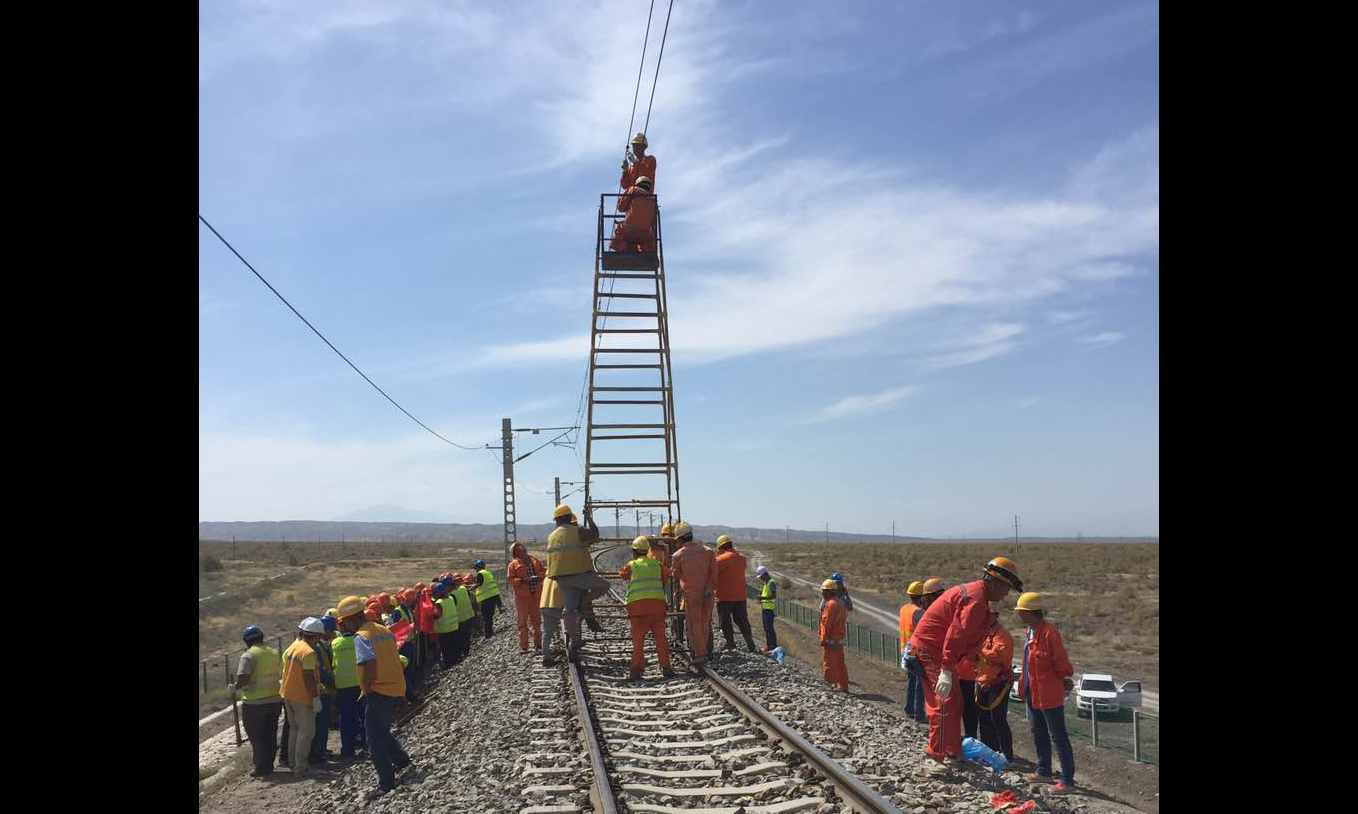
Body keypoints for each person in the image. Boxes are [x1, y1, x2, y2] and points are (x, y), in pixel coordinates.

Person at [908, 558, 1022, 770]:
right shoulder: (976, 600)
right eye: (1007, 589)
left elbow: (964, 639)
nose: (1006, 594)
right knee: (944, 702)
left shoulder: (977, 597)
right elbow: (956, 636)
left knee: (956, 700)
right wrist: (946, 670)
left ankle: (953, 751)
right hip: (930, 649)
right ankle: (936, 756)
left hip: (936, 649)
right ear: (996, 583)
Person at [337, 594, 411, 799]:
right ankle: (402, 760)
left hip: (379, 690)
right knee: (380, 730)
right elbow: (394, 659)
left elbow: (367, 663)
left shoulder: (361, 637)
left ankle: (386, 782)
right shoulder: (383, 630)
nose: (344, 626)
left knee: (373, 738)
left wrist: (366, 687)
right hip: (395, 686)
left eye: (344, 622)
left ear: (352, 619)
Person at [1015, 592, 1076, 793]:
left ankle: (1067, 780)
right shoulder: (1030, 632)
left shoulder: (1049, 633)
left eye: (1021, 611)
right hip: (1033, 692)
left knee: (1058, 736)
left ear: (1030, 612)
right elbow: (1026, 663)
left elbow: (1061, 662)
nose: (1019, 615)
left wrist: (1064, 678)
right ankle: (1044, 771)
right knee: (1037, 731)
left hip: (1049, 693)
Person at [546, 503, 609, 663]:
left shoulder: (552, 535)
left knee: (570, 610)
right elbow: (595, 534)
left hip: (560, 578)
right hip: (578, 574)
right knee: (604, 585)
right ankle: (584, 601)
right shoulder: (578, 531)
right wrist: (589, 517)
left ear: (558, 520)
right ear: (569, 517)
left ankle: (574, 641)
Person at [620, 536, 674, 679]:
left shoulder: (632, 565)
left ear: (634, 552)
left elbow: (623, 575)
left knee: (638, 641)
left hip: (637, 609)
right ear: (647, 551)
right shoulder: (656, 564)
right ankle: (666, 667)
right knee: (661, 639)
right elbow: (669, 573)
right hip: (657, 608)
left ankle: (635, 671)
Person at [234, 625, 282, 777]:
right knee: (270, 734)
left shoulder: (248, 655)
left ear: (246, 641)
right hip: (275, 700)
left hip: (255, 703)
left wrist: (234, 687)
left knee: (257, 737)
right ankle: (269, 764)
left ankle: (262, 768)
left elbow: (243, 678)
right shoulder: (274, 652)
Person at [279, 617, 325, 775]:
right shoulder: (309, 652)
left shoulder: (295, 646)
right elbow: (308, 677)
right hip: (302, 697)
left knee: (295, 730)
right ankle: (301, 768)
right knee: (307, 733)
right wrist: (315, 697)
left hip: (288, 694)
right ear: (317, 636)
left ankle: (293, 764)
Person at [669, 521, 717, 663]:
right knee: (704, 622)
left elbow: (675, 574)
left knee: (694, 624)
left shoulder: (678, 555)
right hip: (708, 592)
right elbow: (714, 574)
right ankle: (706, 652)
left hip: (692, 594)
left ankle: (700, 654)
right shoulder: (708, 551)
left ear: (680, 540)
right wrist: (709, 588)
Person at [974, 608, 1015, 762]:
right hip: (982, 681)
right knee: (984, 720)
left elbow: (997, 655)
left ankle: (1006, 755)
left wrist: (979, 649)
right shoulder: (983, 633)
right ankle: (988, 751)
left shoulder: (1002, 635)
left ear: (995, 616)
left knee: (998, 719)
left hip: (998, 682)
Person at [330, 607, 368, 759]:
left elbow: (333, 664)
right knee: (364, 716)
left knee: (346, 719)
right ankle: (367, 745)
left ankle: (347, 750)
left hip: (343, 687)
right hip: (360, 684)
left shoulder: (335, 643)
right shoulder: (360, 639)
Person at [714, 536, 758, 653]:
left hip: (725, 596)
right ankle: (750, 643)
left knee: (725, 621)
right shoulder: (742, 558)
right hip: (740, 596)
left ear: (721, 547)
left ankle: (730, 644)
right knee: (742, 620)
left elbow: (712, 573)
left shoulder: (721, 559)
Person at [507, 542, 546, 653]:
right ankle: (524, 647)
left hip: (535, 596)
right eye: (519, 551)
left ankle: (538, 645)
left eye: (523, 550)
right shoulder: (513, 565)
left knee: (536, 622)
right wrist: (522, 580)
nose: (522, 552)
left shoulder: (535, 561)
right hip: (522, 598)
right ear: (515, 553)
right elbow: (510, 579)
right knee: (522, 623)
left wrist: (539, 577)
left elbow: (543, 572)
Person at [311, 615, 338, 762]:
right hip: (323, 689)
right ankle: (319, 751)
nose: (333, 634)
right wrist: (332, 683)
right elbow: (321, 670)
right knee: (321, 723)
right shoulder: (318, 647)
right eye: (331, 631)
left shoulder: (322, 645)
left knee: (323, 722)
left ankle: (320, 749)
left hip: (325, 688)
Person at [899, 580, 927, 723]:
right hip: (915, 652)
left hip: (905, 650)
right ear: (921, 597)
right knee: (920, 683)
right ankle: (919, 714)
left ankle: (909, 709)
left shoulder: (904, 608)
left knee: (911, 680)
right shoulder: (919, 612)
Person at [609, 177, 657, 253]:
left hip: (628, 230)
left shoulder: (633, 190)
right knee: (648, 244)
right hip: (645, 233)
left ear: (638, 184)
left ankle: (625, 247)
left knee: (615, 243)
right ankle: (644, 252)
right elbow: (653, 220)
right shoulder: (653, 199)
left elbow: (621, 207)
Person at [818, 579, 849, 692]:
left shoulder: (830, 605)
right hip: (839, 640)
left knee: (829, 665)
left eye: (823, 591)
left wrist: (823, 639)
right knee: (840, 664)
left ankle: (830, 688)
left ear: (829, 591)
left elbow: (826, 624)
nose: (822, 593)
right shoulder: (840, 603)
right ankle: (843, 686)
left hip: (831, 641)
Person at [432, 581, 461, 669]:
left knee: (446, 650)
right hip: (454, 627)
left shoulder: (439, 603)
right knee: (453, 648)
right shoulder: (451, 598)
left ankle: (447, 665)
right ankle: (454, 662)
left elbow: (436, 615)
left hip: (444, 630)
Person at [540, 575, 566, 665]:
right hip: (555, 607)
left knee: (547, 633)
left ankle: (546, 658)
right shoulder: (562, 578)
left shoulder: (547, 578)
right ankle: (573, 645)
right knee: (572, 620)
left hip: (544, 606)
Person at [472, 559, 502, 639]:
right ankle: (490, 631)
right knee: (490, 616)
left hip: (486, 598)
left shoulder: (480, 574)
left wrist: (470, 588)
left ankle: (488, 633)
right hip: (493, 596)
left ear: (478, 567)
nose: (475, 569)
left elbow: (478, 584)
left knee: (486, 617)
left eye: (475, 568)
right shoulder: (488, 573)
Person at [450, 576, 477, 661]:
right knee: (467, 637)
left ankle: (462, 655)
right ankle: (466, 653)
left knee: (460, 638)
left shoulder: (451, 595)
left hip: (460, 620)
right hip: (469, 616)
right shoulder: (463, 589)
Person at [755, 566, 778, 649]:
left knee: (769, 629)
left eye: (761, 577)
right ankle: (769, 646)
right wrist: (762, 597)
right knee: (766, 629)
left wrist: (762, 598)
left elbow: (774, 596)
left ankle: (773, 646)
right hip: (765, 609)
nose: (760, 579)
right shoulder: (766, 583)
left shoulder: (771, 582)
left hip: (769, 610)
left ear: (765, 574)